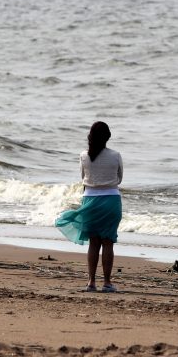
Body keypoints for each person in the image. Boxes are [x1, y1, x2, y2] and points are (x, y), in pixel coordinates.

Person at [55, 121, 123, 293]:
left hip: (90, 200)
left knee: (94, 242)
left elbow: (83, 176)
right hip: (111, 201)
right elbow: (119, 178)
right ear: (108, 137)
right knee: (108, 242)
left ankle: (91, 282)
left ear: (90, 137)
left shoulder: (84, 155)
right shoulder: (116, 155)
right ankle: (107, 283)